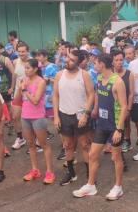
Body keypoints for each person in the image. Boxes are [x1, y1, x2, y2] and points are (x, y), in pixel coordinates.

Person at [73, 54, 127, 200]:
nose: (93, 66)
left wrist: (120, 129)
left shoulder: (118, 82)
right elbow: (98, 95)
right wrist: (94, 109)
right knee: (92, 154)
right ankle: (91, 186)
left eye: (95, 63)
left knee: (116, 157)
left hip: (114, 126)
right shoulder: (99, 78)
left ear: (102, 64)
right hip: (102, 125)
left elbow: (124, 107)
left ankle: (118, 187)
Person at [53, 50, 95, 186]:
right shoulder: (59, 75)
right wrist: (56, 116)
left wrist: (86, 114)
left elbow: (91, 95)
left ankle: (90, 175)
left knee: (85, 145)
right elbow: (55, 96)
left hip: (80, 116)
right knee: (68, 145)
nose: (67, 61)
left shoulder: (84, 75)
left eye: (72, 60)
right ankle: (71, 173)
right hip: (64, 115)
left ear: (78, 63)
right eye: (68, 58)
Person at [15, 59, 55, 184]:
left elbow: (36, 100)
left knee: (44, 145)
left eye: (28, 68)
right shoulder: (24, 81)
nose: (26, 70)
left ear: (35, 69)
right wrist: (19, 88)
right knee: (31, 144)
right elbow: (17, 99)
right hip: (25, 116)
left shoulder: (41, 82)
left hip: (38, 117)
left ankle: (49, 171)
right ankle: (35, 169)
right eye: (25, 68)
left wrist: (25, 90)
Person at [112, 51, 134, 153]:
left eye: (121, 60)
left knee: (126, 123)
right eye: (116, 60)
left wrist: (129, 108)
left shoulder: (129, 73)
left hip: (125, 105)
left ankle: (127, 140)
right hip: (113, 105)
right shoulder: (110, 73)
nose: (119, 62)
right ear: (112, 61)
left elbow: (131, 93)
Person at [11, 42, 31, 150]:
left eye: (23, 51)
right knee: (15, 117)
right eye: (19, 51)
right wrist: (12, 87)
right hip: (18, 92)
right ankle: (20, 138)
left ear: (27, 51)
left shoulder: (32, 62)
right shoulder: (15, 62)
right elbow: (15, 76)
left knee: (30, 118)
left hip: (29, 93)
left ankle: (34, 140)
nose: (21, 53)